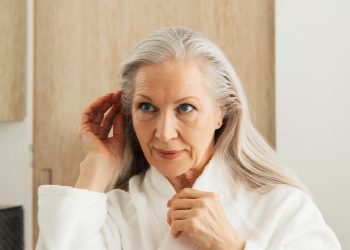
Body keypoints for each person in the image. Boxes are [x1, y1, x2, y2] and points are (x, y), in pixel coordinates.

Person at [35, 27, 341, 250]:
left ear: (222, 113)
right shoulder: (112, 215)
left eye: (185, 108)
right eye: (146, 107)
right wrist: (96, 168)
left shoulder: (281, 207)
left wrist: (232, 247)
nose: (165, 133)